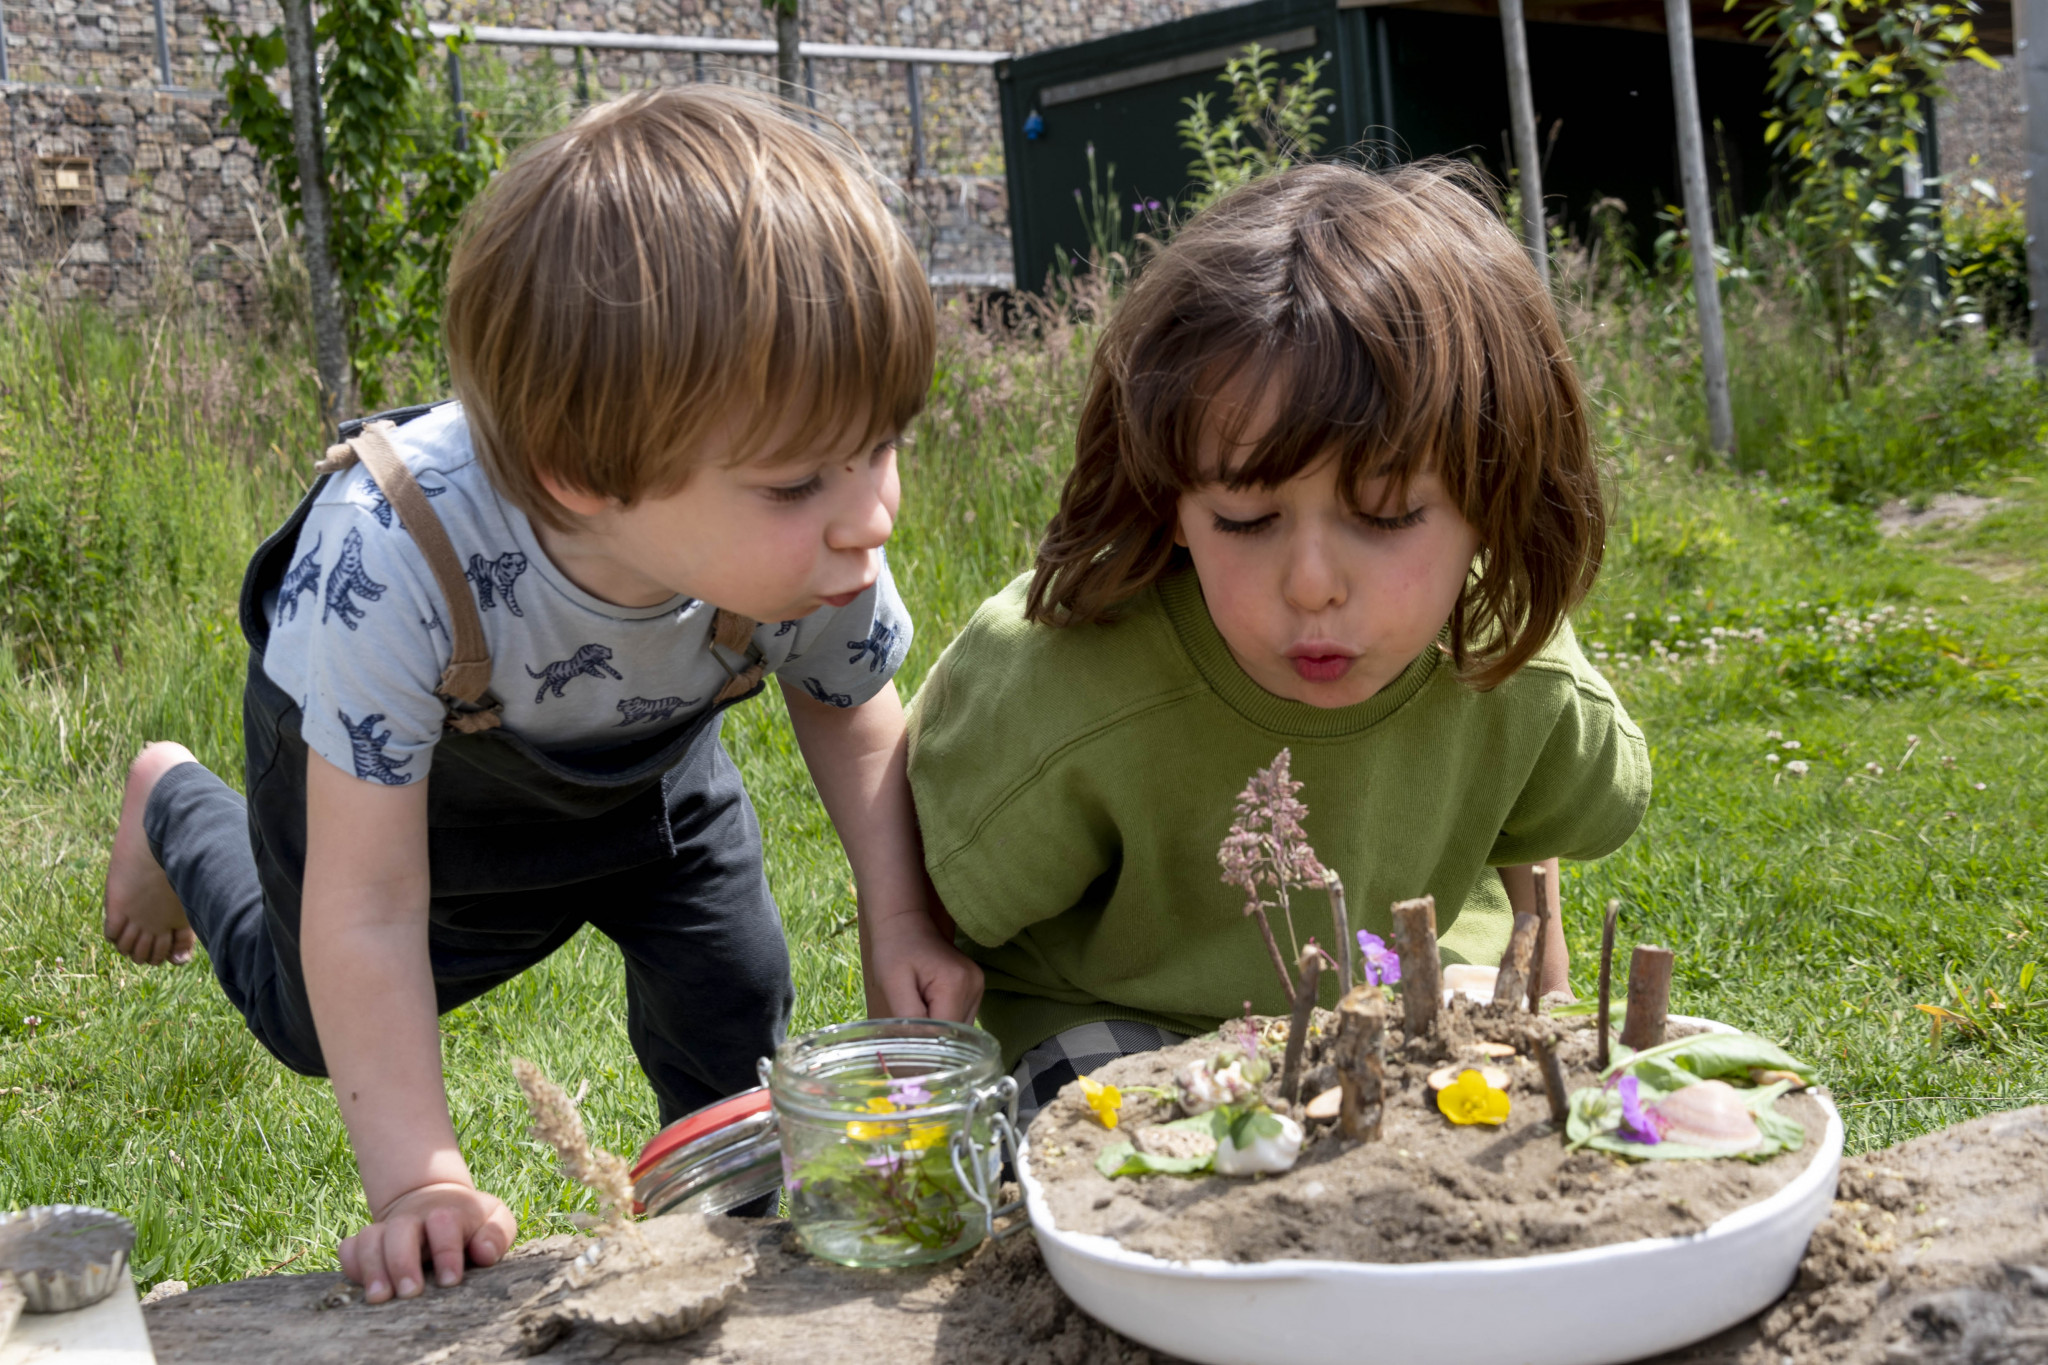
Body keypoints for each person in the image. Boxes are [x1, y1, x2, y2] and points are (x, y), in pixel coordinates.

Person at [100, 88, 981, 1301]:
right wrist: (417, 1181)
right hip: (406, 792)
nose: (872, 513)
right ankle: (172, 803)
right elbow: (364, 908)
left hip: (648, 774)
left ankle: (744, 1223)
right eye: (794, 484)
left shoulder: (814, 552)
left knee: (733, 980)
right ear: (580, 480)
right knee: (314, 1018)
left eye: (883, 443)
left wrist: (897, 915)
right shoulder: (384, 567)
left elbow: (849, 707)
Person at [907, 161, 1650, 1125]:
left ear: (1492, 493)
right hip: (1125, 1021)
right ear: (1172, 500)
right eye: (1248, 519)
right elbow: (931, 913)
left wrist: (1548, 1037)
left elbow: (1542, 851)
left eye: (1383, 515)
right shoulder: (1068, 684)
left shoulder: (1515, 665)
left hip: (1391, 1005)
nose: (1310, 585)